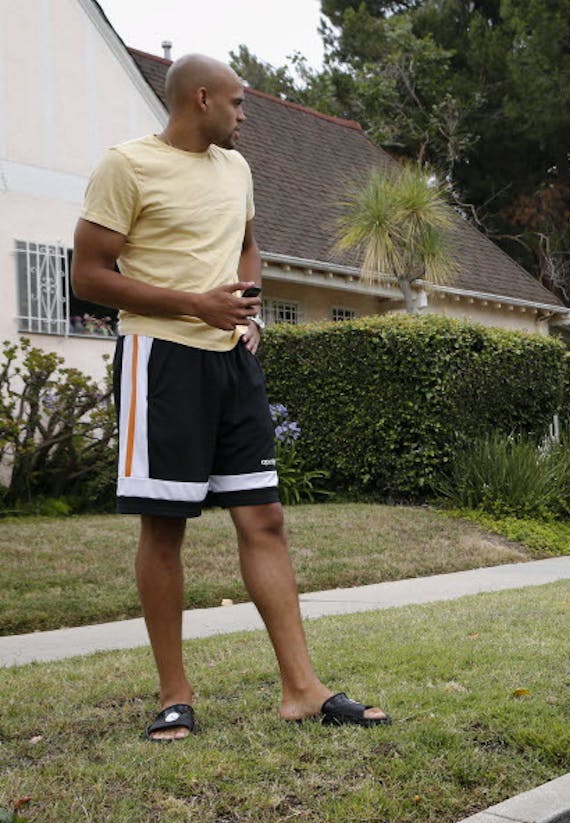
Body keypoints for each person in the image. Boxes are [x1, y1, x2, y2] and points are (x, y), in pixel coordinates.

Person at [72, 54, 388, 741]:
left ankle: (303, 689)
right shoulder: (126, 166)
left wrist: (245, 312)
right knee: (164, 527)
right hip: (160, 360)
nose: (245, 116)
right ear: (204, 98)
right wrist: (194, 304)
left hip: (230, 361)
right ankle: (174, 694)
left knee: (265, 518)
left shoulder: (235, 169)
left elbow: (248, 248)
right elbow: (89, 275)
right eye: (239, 104)